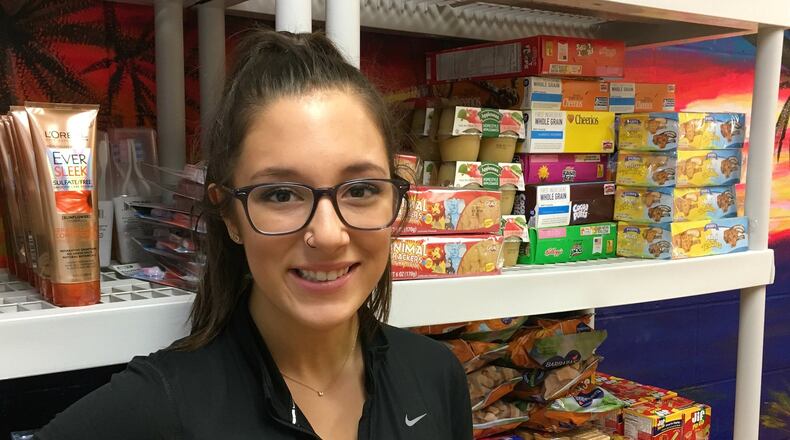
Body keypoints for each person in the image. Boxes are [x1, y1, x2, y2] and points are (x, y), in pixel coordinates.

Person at [34, 30, 472, 440]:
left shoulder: (435, 376)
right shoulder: (162, 406)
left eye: (360, 190)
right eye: (281, 194)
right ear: (228, 214)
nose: (329, 234)